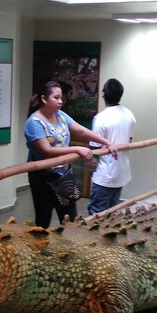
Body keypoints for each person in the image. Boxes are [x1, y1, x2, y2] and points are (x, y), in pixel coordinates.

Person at [25, 80, 118, 228]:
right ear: (44, 99)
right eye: (56, 98)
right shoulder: (34, 122)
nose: (60, 101)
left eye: (61, 98)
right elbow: (47, 150)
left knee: (70, 218)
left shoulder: (61, 115)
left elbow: (81, 131)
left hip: (63, 175)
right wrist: (77, 149)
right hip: (43, 178)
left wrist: (107, 142)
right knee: (43, 219)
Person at [87, 78, 136, 215]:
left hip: (104, 174)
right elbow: (129, 140)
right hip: (121, 172)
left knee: (96, 213)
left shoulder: (101, 118)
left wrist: (91, 169)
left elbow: (94, 149)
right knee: (112, 213)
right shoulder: (129, 115)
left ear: (103, 94)